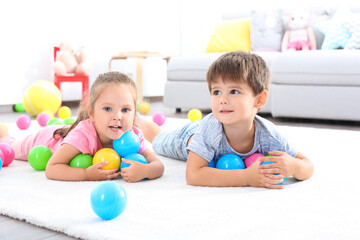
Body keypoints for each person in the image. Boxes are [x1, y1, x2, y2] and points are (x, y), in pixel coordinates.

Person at [138, 51, 314, 189]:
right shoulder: (210, 130)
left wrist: (293, 167)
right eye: (216, 92)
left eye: (234, 91)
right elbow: (193, 175)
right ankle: (138, 121)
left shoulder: (269, 135)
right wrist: (247, 177)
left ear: (259, 99)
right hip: (188, 137)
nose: (222, 99)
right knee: (158, 140)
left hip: (207, 130)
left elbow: (307, 165)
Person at [0, 72, 164, 182]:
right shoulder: (84, 135)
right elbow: (51, 168)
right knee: (8, 144)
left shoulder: (133, 135)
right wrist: (86, 174)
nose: (118, 116)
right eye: (108, 109)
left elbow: (158, 165)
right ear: (91, 113)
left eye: (125, 110)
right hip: (44, 141)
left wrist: (146, 171)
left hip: (68, 132)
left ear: (135, 113)